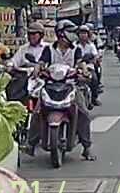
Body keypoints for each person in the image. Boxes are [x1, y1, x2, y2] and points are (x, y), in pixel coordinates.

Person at [32, 19, 96, 160]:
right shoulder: (49, 49)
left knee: (83, 113)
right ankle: (31, 144)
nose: (73, 35)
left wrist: (84, 72)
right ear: (61, 34)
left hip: (71, 85)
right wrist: (37, 69)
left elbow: (80, 63)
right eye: (70, 32)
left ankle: (87, 147)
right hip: (50, 86)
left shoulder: (76, 49)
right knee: (36, 111)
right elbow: (41, 62)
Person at [75, 23, 103, 106]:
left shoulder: (91, 45)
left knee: (94, 79)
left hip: (89, 67)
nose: (83, 35)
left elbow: (95, 56)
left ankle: (94, 98)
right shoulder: (75, 45)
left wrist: (94, 59)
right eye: (81, 33)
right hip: (77, 67)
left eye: (85, 33)